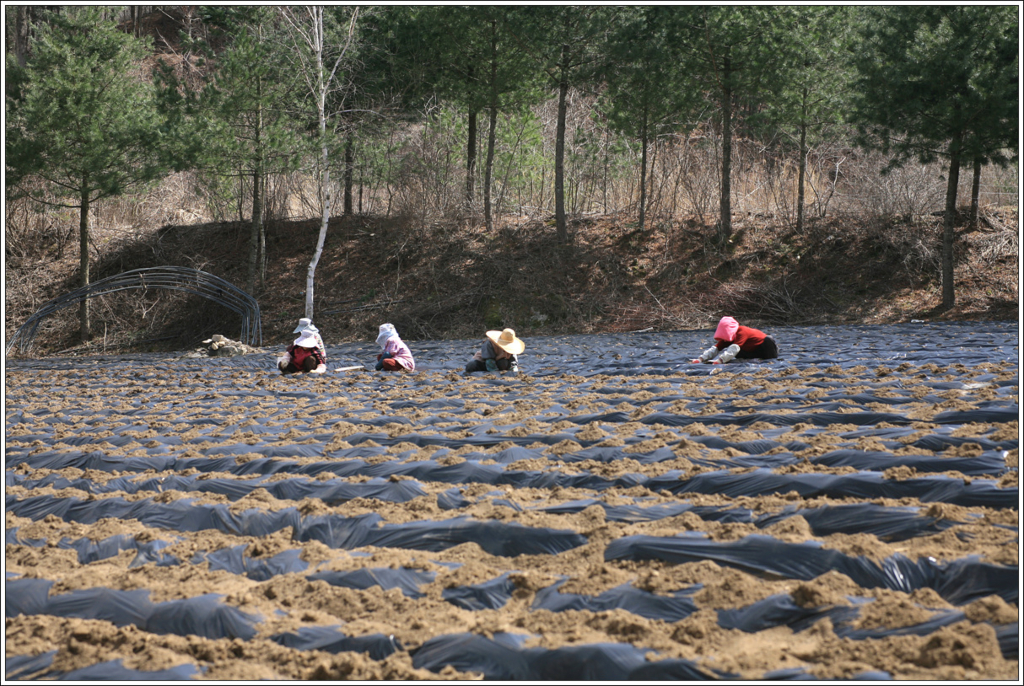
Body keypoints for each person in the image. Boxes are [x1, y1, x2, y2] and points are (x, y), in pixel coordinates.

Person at [692, 316, 778, 364]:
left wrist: (720, 360)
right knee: (737, 351)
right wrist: (700, 359)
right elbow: (716, 348)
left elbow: (734, 347)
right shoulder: (729, 337)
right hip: (751, 352)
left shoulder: (742, 331)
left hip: (764, 350)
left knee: (768, 339)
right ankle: (753, 360)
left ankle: (767, 361)